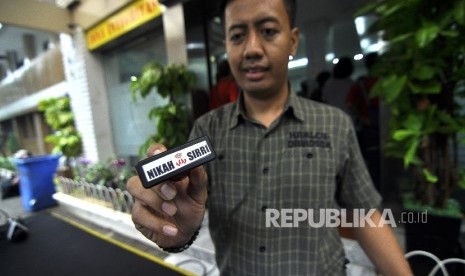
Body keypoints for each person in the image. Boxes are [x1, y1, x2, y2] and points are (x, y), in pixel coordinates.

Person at [127, 0, 413, 275]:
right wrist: (177, 230)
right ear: (226, 46)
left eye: (268, 31)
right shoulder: (207, 130)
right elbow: (184, 214)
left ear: (293, 40)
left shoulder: (335, 124)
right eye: (237, 35)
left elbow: (364, 214)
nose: (252, 48)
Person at [347, 52, 381, 190]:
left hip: (369, 125)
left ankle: (375, 190)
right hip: (382, 125)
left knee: (372, 159)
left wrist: (361, 117)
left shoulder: (361, 83)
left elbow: (349, 103)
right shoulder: (386, 81)